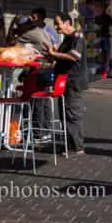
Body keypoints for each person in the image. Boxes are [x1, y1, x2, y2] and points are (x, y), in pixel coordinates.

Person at [48, 12, 88, 154]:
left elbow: (73, 56)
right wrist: (49, 55)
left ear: (67, 23)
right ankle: (68, 143)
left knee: (72, 112)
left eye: (58, 24)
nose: (56, 27)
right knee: (64, 112)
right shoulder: (66, 39)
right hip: (63, 80)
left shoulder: (77, 37)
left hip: (73, 80)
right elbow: (57, 57)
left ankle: (78, 146)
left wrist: (54, 54)